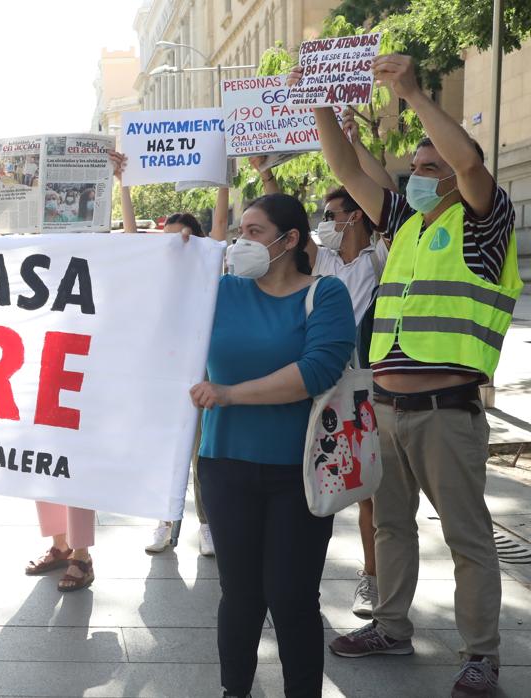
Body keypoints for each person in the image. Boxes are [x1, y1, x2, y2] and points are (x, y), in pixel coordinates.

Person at [307, 55, 519, 698]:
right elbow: (346, 167)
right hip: (388, 410)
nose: (419, 176)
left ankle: (481, 654)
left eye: (432, 167)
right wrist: (319, 99)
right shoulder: (401, 226)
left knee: (467, 538)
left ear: (457, 176)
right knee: (391, 526)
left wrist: (412, 93)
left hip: (446, 412)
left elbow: (471, 165)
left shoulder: (483, 222)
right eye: (416, 167)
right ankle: (391, 625)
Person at [191, 194, 355, 698]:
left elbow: (316, 371)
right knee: (239, 596)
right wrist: (176, 253)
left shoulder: (326, 295)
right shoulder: (220, 290)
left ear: (290, 241)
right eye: (240, 231)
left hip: (299, 472)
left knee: (291, 598)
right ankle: (233, 691)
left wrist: (229, 394)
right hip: (225, 465)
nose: (243, 242)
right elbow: (148, 301)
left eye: (255, 232)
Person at [254, 137, 395, 618]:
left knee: (372, 493)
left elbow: (384, 190)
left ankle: (372, 579)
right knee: (323, 478)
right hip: (327, 388)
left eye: (332, 215)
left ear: (354, 216)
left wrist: (356, 146)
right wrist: (267, 175)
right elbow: (291, 228)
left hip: (370, 386)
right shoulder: (325, 261)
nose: (326, 224)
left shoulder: (382, 260)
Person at [112, 151, 229, 557]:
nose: (172, 245)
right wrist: (122, 182)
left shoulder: (206, 266)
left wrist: (223, 175)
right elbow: (129, 235)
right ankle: (164, 522)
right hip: (162, 374)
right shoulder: (155, 271)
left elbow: (218, 228)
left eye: (180, 238)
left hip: (202, 372)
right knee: (168, 449)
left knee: (200, 453)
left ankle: (208, 525)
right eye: (166, 238)